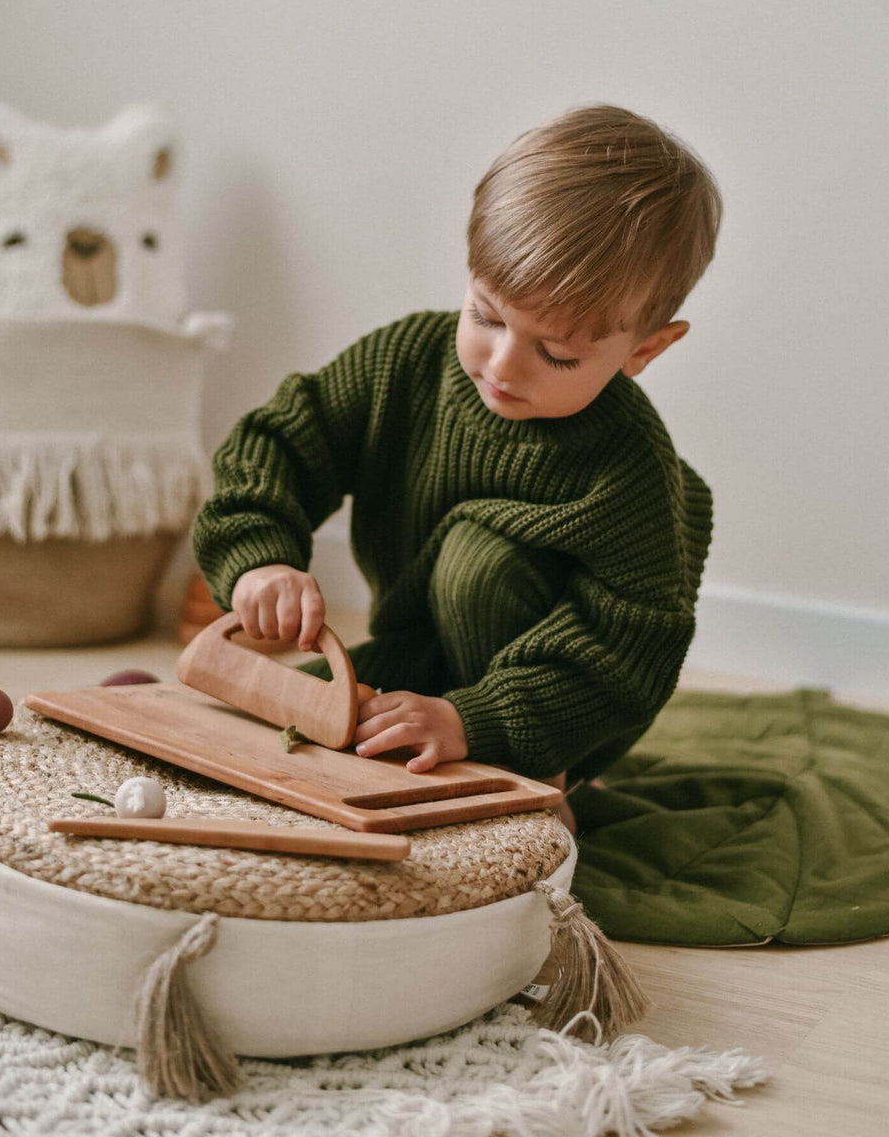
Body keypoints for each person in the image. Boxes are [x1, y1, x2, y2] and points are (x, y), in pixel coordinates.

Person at [192, 103, 721, 836]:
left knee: (483, 560)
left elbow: (628, 648)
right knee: (254, 731)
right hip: (420, 653)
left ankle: (535, 784)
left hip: (559, 706)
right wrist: (261, 562)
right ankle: (430, 723)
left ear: (644, 351)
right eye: (487, 315)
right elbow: (278, 442)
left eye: (557, 353)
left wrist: (477, 721)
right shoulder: (406, 361)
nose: (502, 366)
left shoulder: (626, 470)